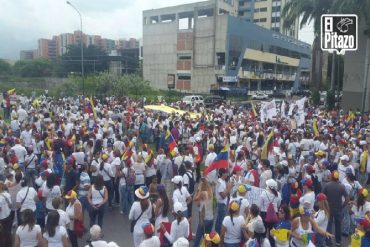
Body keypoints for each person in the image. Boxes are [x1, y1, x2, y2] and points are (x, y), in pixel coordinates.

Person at [323, 170, 349, 246]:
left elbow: (322, 196)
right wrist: (342, 206)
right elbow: (347, 199)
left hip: (329, 208)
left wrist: (325, 206)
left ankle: (328, 242)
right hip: (338, 209)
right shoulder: (342, 186)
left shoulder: (327, 185)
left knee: (329, 225)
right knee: (338, 225)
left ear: (332, 176)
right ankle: (338, 242)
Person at [193, 177, 214, 247]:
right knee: (208, 237)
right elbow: (199, 204)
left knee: (198, 236)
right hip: (211, 218)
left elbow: (195, 199)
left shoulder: (202, 193)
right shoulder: (210, 191)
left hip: (204, 219)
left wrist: (198, 190)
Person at [215, 168, 232, 233]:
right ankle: (218, 234)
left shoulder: (222, 181)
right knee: (221, 220)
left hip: (222, 203)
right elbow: (223, 196)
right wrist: (229, 188)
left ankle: (217, 232)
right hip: (221, 204)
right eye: (226, 173)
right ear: (223, 174)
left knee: (219, 219)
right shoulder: (220, 182)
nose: (227, 174)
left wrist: (229, 187)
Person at [0, 180, 12, 246]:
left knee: (2, 234)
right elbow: (10, 205)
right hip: (8, 215)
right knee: (8, 232)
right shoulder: (7, 194)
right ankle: (9, 244)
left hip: (1, 218)